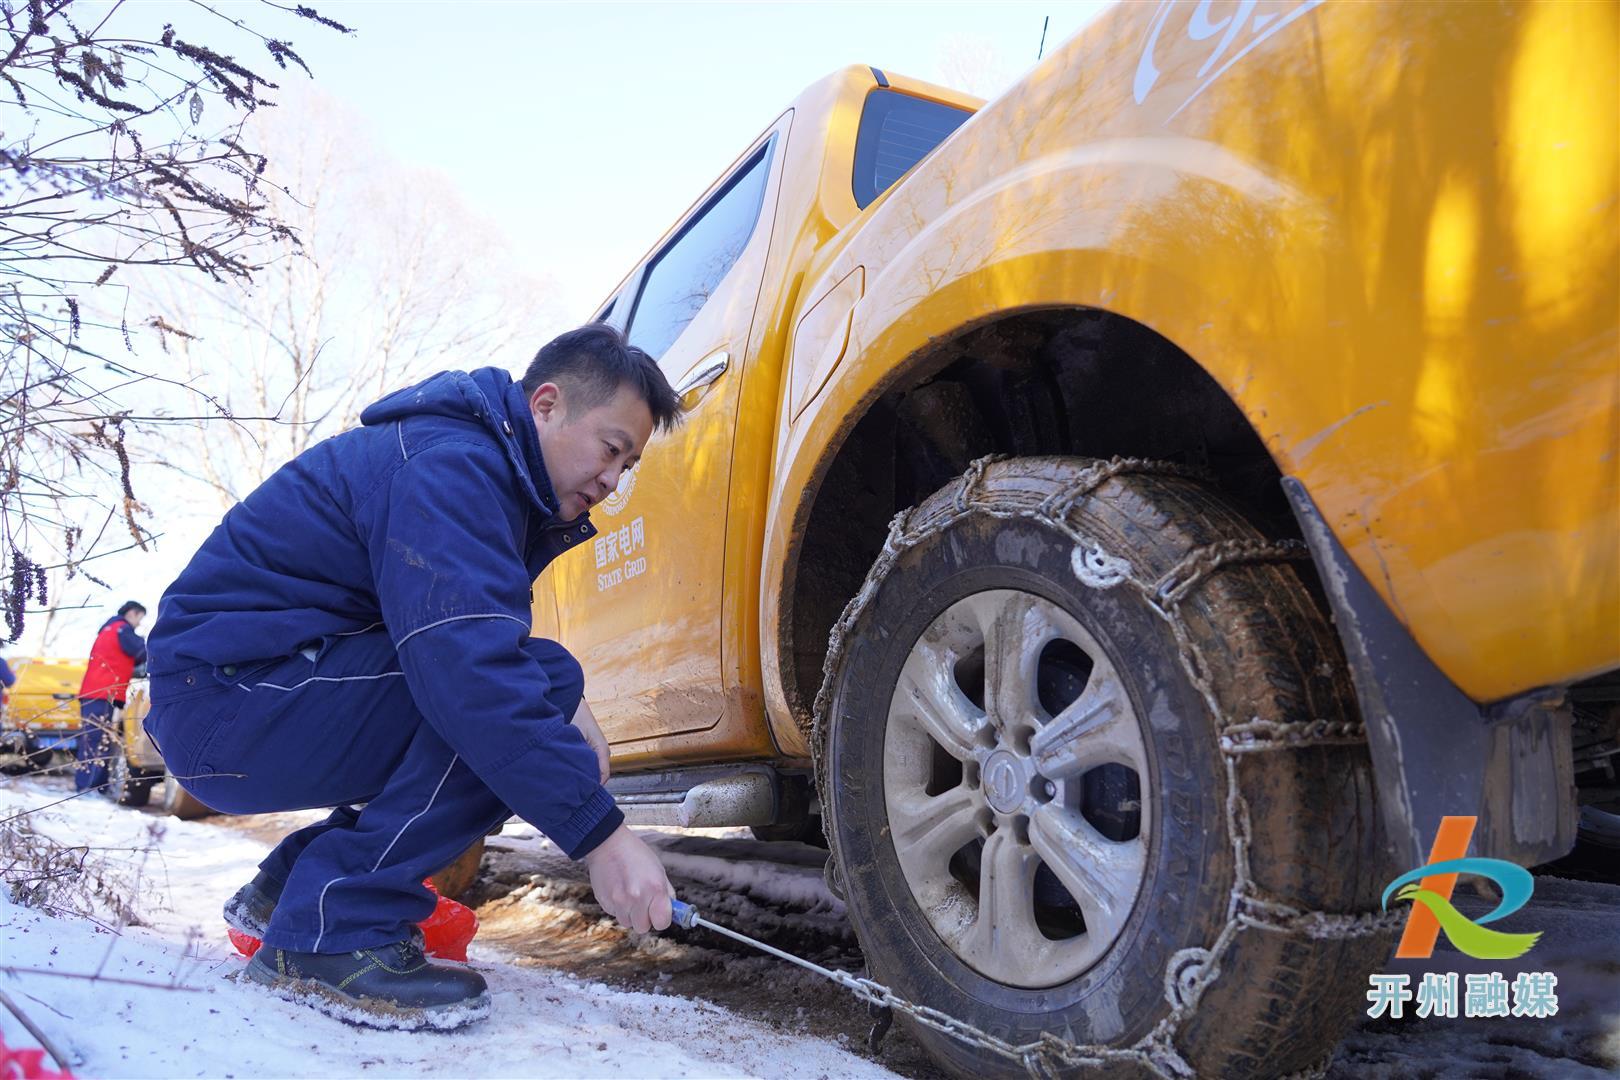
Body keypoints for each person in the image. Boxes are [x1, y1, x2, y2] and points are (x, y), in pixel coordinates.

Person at [143, 325, 684, 1031]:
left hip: (238, 699)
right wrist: (602, 836)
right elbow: (470, 677)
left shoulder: (465, 462)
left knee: (540, 681)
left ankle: (289, 896)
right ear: (546, 405)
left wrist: (562, 693)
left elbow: (472, 649)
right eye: (612, 449)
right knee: (514, 692)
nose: (614, 482)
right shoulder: (451, 466)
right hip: (232, 702)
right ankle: (331, 933)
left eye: (629, 465)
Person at [75, 601, 147, 793]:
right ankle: (88, 789)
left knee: (93, 740)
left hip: (94, 692)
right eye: (140, 618)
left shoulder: (108, 629)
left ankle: (91, 787)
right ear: (132, 613)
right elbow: (143, 651)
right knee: (97, 741)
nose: (139, 623)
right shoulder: (122, 629)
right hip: (103, 692)